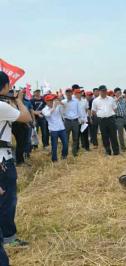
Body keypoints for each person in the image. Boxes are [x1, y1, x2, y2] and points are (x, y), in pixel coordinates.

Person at [0, 71, 32, 265]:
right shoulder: (2, 106)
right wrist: (19, 100)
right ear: (4, 86)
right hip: (3, 160)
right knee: (7, 198)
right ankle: (9, 237)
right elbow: (26, 117)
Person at [92, 85, 119, 156]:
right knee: (104, 136)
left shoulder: (111, 99)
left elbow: (115, 108)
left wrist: (110, 114)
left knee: (113, 135)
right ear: (99, 91)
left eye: (105, 90)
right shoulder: (95, 101)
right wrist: (99, 116)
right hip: (102, 120)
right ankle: (108, 151)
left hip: (111, 119)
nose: (104, 92)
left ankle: (116, 151)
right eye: (102, 91)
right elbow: (93, 111)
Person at [42, 94, 68, 162]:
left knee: (65, 144)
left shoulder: (57, 106)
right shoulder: (44, 109)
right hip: (53, 130)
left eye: (52, 100)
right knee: (54, 146)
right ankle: (54, 160)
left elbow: (65, 108)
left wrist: (60, 102)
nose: (52, 101)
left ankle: (64, 156)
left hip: (62, 128)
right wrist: (54, 107)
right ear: (46, 101)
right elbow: (47, 114)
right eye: (50, 100)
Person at [61, 88, 81, 157]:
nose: (69, 94)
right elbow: (61, 111)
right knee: (65, 138)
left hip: (75, 121)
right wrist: (63, 119)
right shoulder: (63, 102)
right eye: (67, 92)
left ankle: (74, 152)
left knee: (75, 138)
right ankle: (65, 154)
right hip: (67, 121)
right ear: (65, 94)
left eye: (70, 92)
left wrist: (80, 119)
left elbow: (79, 111)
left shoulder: (76, 101)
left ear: (72, 93)